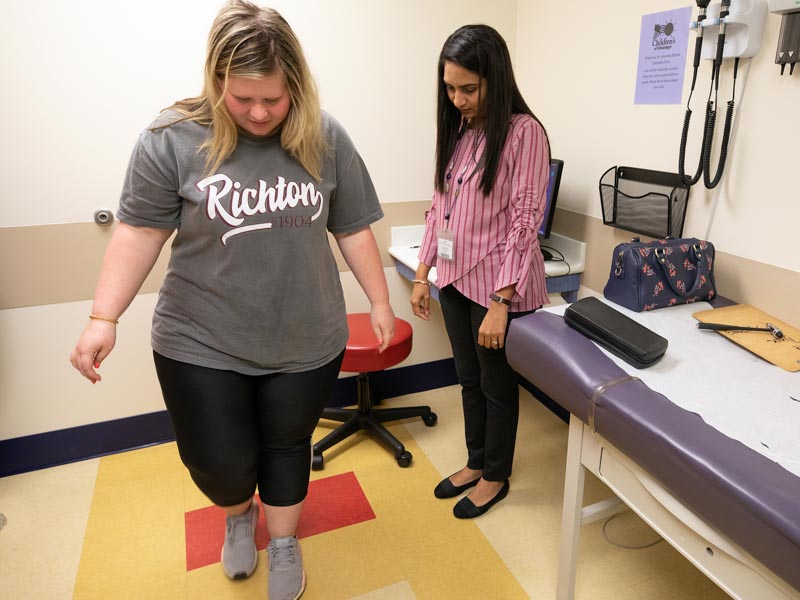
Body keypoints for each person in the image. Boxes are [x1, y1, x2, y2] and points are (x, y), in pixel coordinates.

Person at [69, 2, 394, 598]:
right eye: (243, 99)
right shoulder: (170, 138)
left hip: (304, 332)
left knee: (288, 445)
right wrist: (102, 317)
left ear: (295, 83)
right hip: (200, 336)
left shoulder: (324, 135)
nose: (261, 113)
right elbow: (140, 230)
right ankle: (238, 511)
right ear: (216, 80)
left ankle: (287, 539)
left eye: (274, 98)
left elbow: (352, 226)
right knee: (219, 462)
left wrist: (378, 301)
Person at [410, 24, 551, 519]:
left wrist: (502, 302)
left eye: (468, 88)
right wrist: (422, 272)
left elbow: (525, 220)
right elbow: (440, 206)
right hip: (452, 278)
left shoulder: (523, 132)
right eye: (450, 88)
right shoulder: (463, 131)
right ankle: (474, 462)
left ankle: (496, 475)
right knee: (468, 377)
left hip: (496, 286)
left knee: (495, 384)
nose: (458, 99)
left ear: (495, 78)